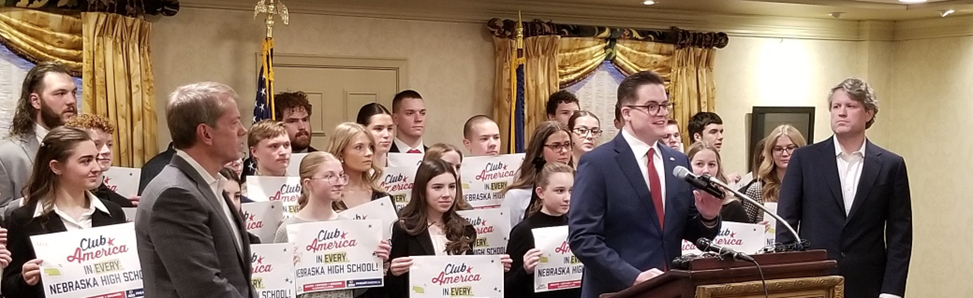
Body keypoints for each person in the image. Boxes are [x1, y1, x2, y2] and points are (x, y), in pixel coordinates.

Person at [568, 71, 723, 298]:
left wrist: (708, 217)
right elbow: (583, 238)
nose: (661, 113)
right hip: (619, 291)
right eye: (651, 106)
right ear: (627, 113)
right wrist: (633, 276)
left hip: (673, 289)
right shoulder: (598, 163)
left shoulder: (678, 161)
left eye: (664, 105)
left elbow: (692, 233)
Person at [777, 78, 911, 298]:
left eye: (850, 106)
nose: (841, 112)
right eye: (836, 106)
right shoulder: (805, 159)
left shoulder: (891, 165)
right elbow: (786, 226)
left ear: (868, 113)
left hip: (868, 284)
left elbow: (900, 236)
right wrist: (789, 282)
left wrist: (891, 291)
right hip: (813, 282)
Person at [136, 82, 254, 297]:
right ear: (206, 134)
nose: (243, 130)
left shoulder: (211, 184)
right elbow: (204, 289)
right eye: (234, 122)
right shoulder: (175, 195)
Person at [2, 127, 124, 298]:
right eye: (86, 161)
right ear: (56, 167)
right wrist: (25, 279)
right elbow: (8, 286)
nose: (97, 167)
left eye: (96, 159)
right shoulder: (25, 219)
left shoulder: (113, 213)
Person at [386, 159, 511, 298]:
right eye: (438, 187)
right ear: (422, 190)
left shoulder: (465, 228)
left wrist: (494, 268)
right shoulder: (405, 228)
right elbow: (395, 289)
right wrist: (393, 273)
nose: (447, 194)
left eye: (452, 186)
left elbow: (472, 277)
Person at [274, 151, 391, 298]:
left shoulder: (351, 227)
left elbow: (357, 289)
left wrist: (377, 263)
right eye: (329, 176)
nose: (339, 182)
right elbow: (277, 286)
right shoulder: (287, 230)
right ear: (308, 183)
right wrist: (285, 269)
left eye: (341, 175)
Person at [0, 61, 77, 207]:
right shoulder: (6, 156)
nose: (71, 101)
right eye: (60, 93)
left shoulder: (87, 147)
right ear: (36, 101)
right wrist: (30, 201)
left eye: (73, 93)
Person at [504, 162, 579, 298]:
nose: (567, 198)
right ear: (540, 192)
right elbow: (506, 288)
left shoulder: (577, 227)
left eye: (571, 191)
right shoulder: (523, 231)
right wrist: (525, 270)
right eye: (559, 191)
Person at [499, 121, 573, 228]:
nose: (564, 151)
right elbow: (507, 237)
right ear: (540, 151)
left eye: (567, 144)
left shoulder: (579, 189)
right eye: (556, 146)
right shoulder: (516, 196)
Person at [65, 114, 139, 207]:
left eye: (110, 144)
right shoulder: (55, 203)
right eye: (96, 144)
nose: (106, 151)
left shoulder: (122, 205)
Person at [242, 91, 317, 177]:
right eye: (292, 121)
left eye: (305, 120)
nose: (302, 127)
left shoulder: (320, 160)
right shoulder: (251, 166)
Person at [742, 126, 805, 223]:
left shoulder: (810, 187)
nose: (784, 153)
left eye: (790, 148)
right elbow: (743, 229)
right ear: (771, 153)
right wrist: (757, 230)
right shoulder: (757, 189)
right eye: (778, 149)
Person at [327, 122, 390, 210]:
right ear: (341, 153)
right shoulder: (325, 198)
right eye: (359, 147)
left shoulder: (383, 197)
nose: (369, 153)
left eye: (370, 147)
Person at [686, 142, 749, 223]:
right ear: (687, 166)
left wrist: (755, 231)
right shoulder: (680, 204)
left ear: (718, 168)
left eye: (711, 165)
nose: (706, 170)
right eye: (699, 164)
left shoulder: (732, 207)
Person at [423, 143, 472, 210]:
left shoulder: (466, 209)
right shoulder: (408, 216)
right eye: (448, 166)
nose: (454, 172)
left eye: (458, 167)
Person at [356, 103, 395, 167]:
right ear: (362, 130)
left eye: (390, 128)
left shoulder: (401, 166)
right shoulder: (351, 168)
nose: (386, 135)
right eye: (378, 129)